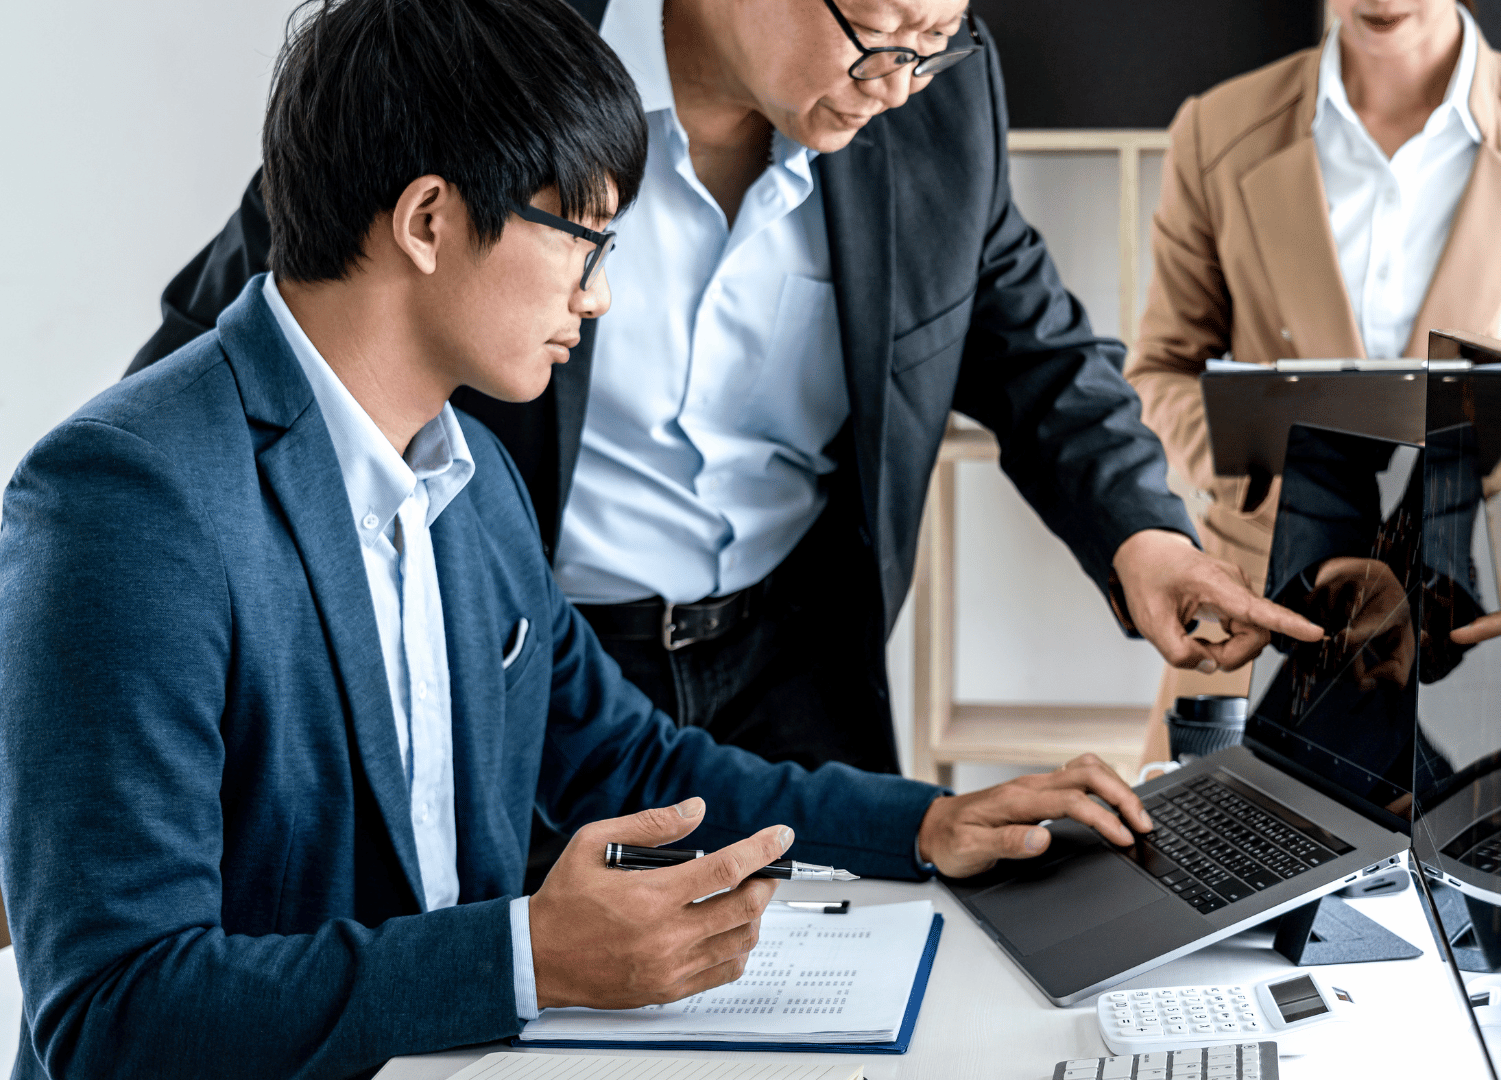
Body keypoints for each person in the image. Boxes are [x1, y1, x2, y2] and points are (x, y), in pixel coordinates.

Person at [0, 2, 1154, 1075]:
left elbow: (634, 765)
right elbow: (115, 1012)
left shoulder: (471, 477)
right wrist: (529, 961)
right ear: (429, 219)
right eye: (584, 242)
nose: (600, 300)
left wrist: (932, 822)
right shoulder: (124, 503)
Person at [125, 0, 1320, 823]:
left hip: (801, 653)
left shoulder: (933, 98)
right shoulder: (486, 56)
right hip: (542, 654)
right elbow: (254, 318)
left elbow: (1024, 334)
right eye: (876, 40)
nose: (898, 86)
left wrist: (1144, 534)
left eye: (932, 45)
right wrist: (117, 561)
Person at [1126, 0, 1501, 766]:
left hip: (1471, 618)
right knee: (1229, 862)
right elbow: (1160, 373)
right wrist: (1263, 475)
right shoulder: (1214, 128)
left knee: (1470, 870)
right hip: (1261, 611)